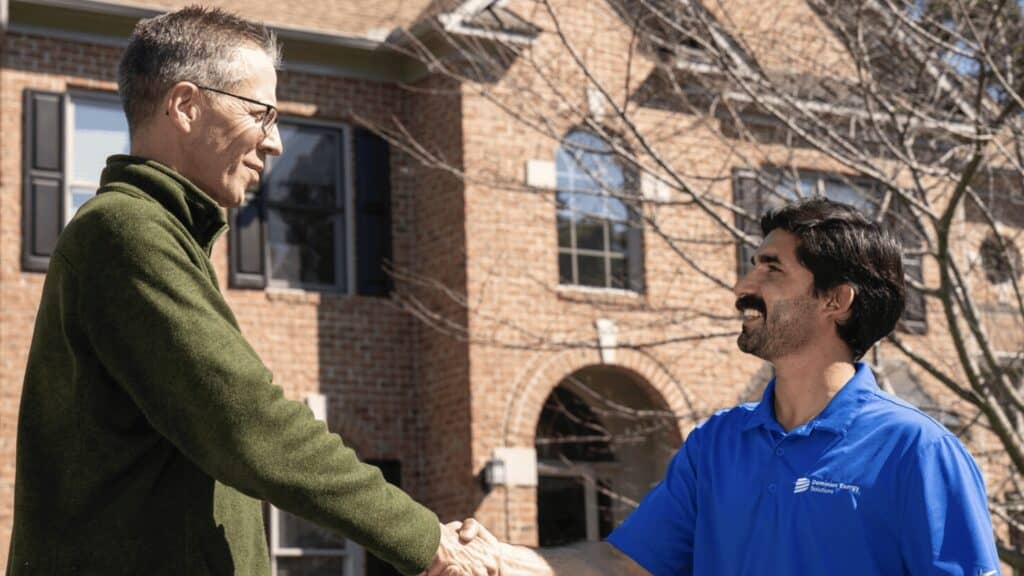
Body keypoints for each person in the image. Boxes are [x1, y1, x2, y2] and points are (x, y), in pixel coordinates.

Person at [6, 7, 494, 576]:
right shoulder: (125, 232)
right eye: (261, 114)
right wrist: (428, 541)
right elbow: (248, 424)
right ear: (186, 106)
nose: (277, 143)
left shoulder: (156, 235)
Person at [457, 198, 1001, 575]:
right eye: (751, 268)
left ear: (836, 300)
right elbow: (623, 565)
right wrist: (498, 560)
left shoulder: (917, 451)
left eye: (772, 270)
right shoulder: (717, 444)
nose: (743, 286)